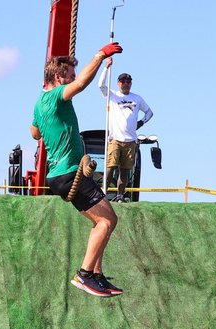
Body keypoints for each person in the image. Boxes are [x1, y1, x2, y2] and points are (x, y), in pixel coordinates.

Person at [31, 43, 124, 298]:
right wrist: (100, 55)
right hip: (70, 171)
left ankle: (96, 274)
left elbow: (34, 132)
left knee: (102, 222)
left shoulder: (39, 103)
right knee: (107, 220)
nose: (73, 79)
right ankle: (84, 275)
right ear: (58, 77)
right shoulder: (54, 96)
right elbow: (82, 84)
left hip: (58, 175)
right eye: (69, 75)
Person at [98, 66, 154, 203]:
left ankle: (120, 195)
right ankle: (102, 193)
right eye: (123, 81)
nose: (125, 83)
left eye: (128, 81)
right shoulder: (112, 95)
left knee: (125, 170)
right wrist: (106, 67)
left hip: (130, 140)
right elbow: (101, 85)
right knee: (110, 166)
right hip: (115, 139)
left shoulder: (137, 98)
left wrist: (141, 123)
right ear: (118, 83)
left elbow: (149, 112)